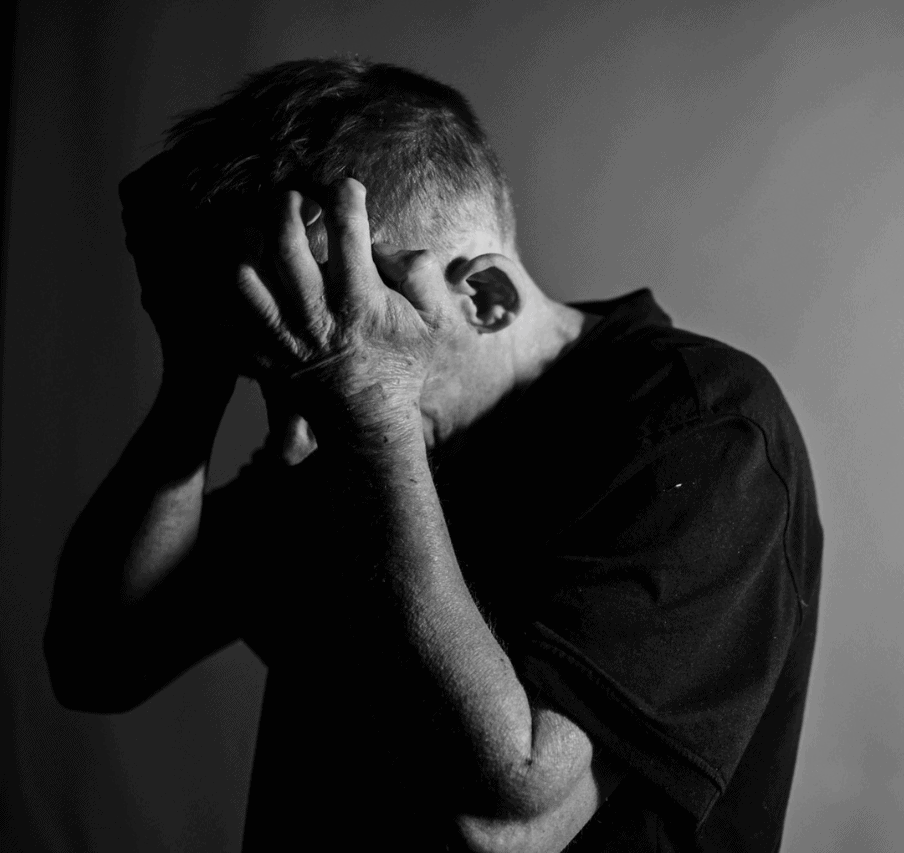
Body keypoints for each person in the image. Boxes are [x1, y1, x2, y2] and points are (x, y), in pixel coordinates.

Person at [43, 57, 822, 852]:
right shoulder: (337, 415)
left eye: (332, 309)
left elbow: (506, 817)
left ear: (485, 297)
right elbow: (99, 658)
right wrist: (197, 371)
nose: (298, 357)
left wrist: (369, 404)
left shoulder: (703, 426)